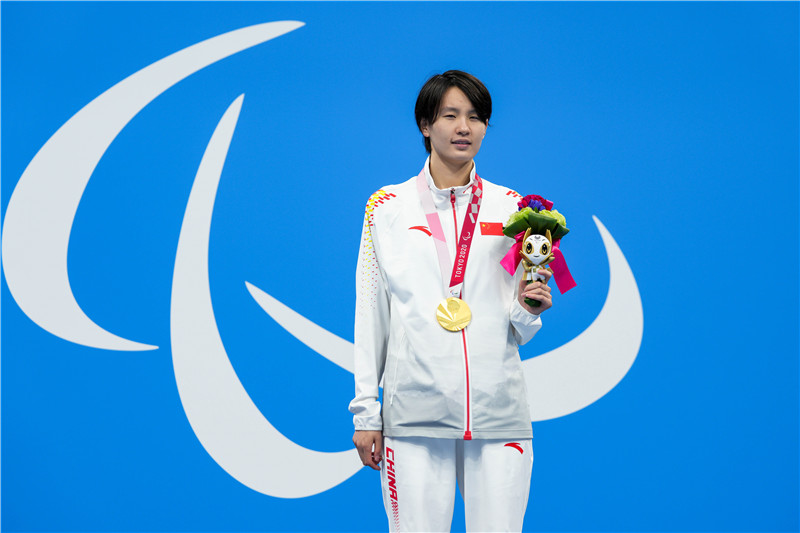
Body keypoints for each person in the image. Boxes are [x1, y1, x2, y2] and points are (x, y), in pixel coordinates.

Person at [349, 70, 553, 532]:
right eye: (451, 116)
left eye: (476, 117)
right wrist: (366, 411)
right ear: (425, 124)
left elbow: (520, 326)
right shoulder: (386, 207)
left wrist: (529, 309)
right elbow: (371, 312)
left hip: (497, 413)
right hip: (413, 416)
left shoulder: (514, 208)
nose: (465, 127)